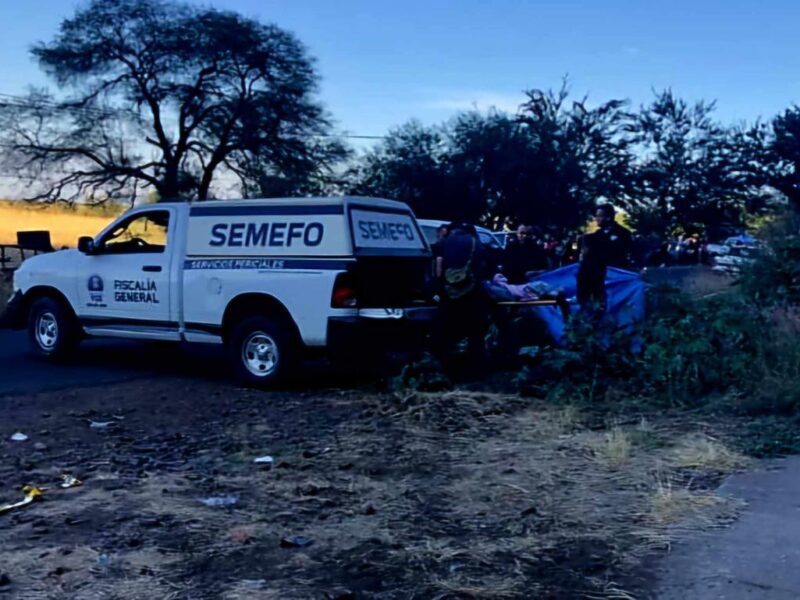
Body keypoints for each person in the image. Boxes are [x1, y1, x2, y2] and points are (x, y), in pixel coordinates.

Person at [434, 222, 490, 367]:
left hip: (449, 293)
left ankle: (444, 365)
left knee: (444, 330)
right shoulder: (476, 243)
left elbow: (438, 271)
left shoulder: (443, 243)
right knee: (475, 331)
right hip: (471, 293)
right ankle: (476, 366)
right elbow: (484, 268)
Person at [576, 204, 632, 315]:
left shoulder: (622, 233)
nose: (597, 219)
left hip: (612, 272)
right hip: (593, 274)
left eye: (600, 216)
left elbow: (618, 253)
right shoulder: (595, 235)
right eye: (596, 216)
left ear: (608, 217)